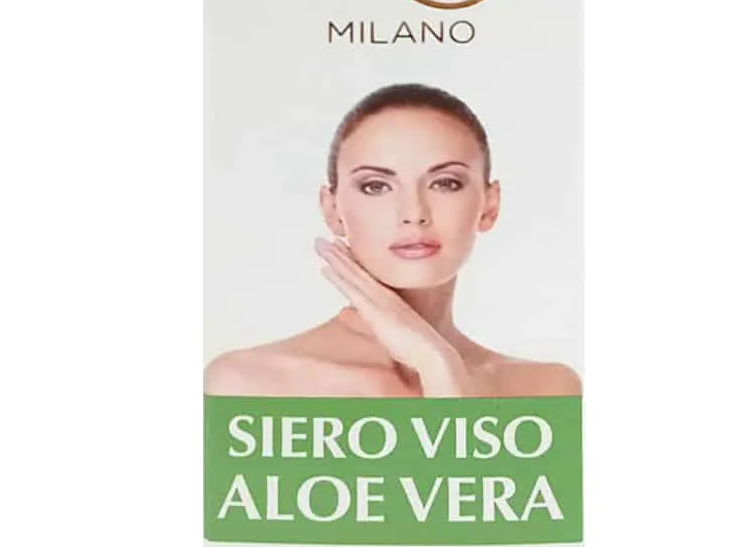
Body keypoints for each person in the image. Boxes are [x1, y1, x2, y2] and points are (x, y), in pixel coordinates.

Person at [203, 83, 581, 398]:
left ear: (489, 205)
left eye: (445, 183)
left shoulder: (546, 390)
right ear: (332, 210)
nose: (413, 213)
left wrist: (438, 366)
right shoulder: (247, 384)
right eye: (376, 186)